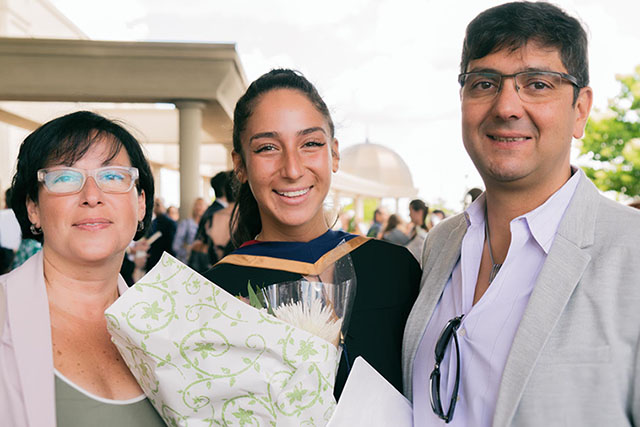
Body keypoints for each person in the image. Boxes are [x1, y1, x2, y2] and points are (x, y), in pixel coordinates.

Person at [402, 3, 640, 426]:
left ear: (580, 109)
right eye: (484, 83)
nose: (506, 106)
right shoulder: (440, 245)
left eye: (538, 83)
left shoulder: (632, 254)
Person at [203, 69, 421, 398]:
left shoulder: (394, 269)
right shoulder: (211, 297)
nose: (292, 169)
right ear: (240, 165)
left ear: (334, 153)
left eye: (310, 144)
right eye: (267, 148)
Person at [0, 111, 163, 426]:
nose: (92, 196)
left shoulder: (173, 327)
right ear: (33, 207)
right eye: (64, 177)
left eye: (113, 176)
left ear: (141, 203)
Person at [144, 197, 177, 271]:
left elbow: (173, 245)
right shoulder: (152, 223)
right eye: (154, 204)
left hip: (165, 261)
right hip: (153, 260)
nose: (156, 207)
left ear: (164, 206)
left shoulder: (170, 223)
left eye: (158, 204)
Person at [172, 197, 206, 263]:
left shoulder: (207, 225)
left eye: (201, 205)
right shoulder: (185, 223)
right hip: (189, 262)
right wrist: (188, 250)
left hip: (204, 263)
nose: (199, 207)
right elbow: (175, 246)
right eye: (197, 205)